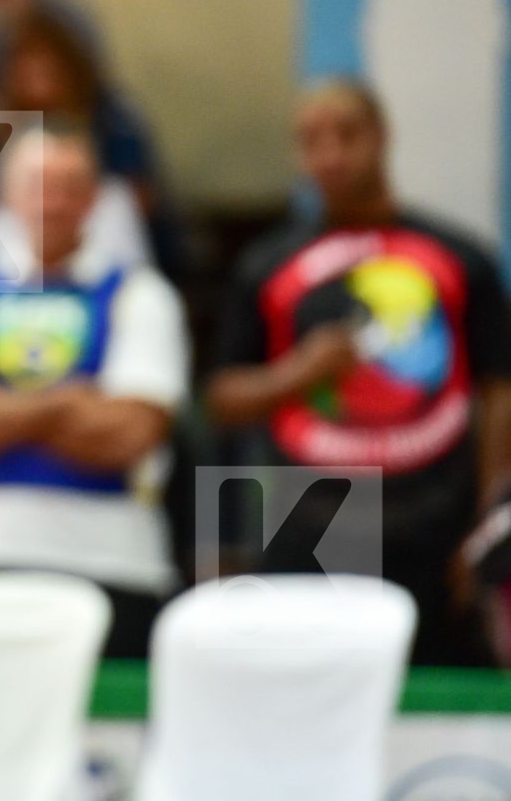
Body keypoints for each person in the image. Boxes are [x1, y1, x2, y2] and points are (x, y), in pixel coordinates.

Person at [207, 80, 511, 666]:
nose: (331, 156)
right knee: (313, 683)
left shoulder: (462, 255)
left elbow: (499, 387)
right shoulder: (268, 263)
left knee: (433, 689)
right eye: (311, 142)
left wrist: (487, 515)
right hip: (313, 516)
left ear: (382, 137)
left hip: (435, 513)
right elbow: (222, 396)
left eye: (347, 135)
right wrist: (297, 374)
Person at [0, 130, 188, 657]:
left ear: (95, 198)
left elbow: (131, 434)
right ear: (9, 196)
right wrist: (67, 402)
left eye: (70, 187)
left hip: (119, 564)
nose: (52, 203)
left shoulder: (145, 297)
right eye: (38, 186)